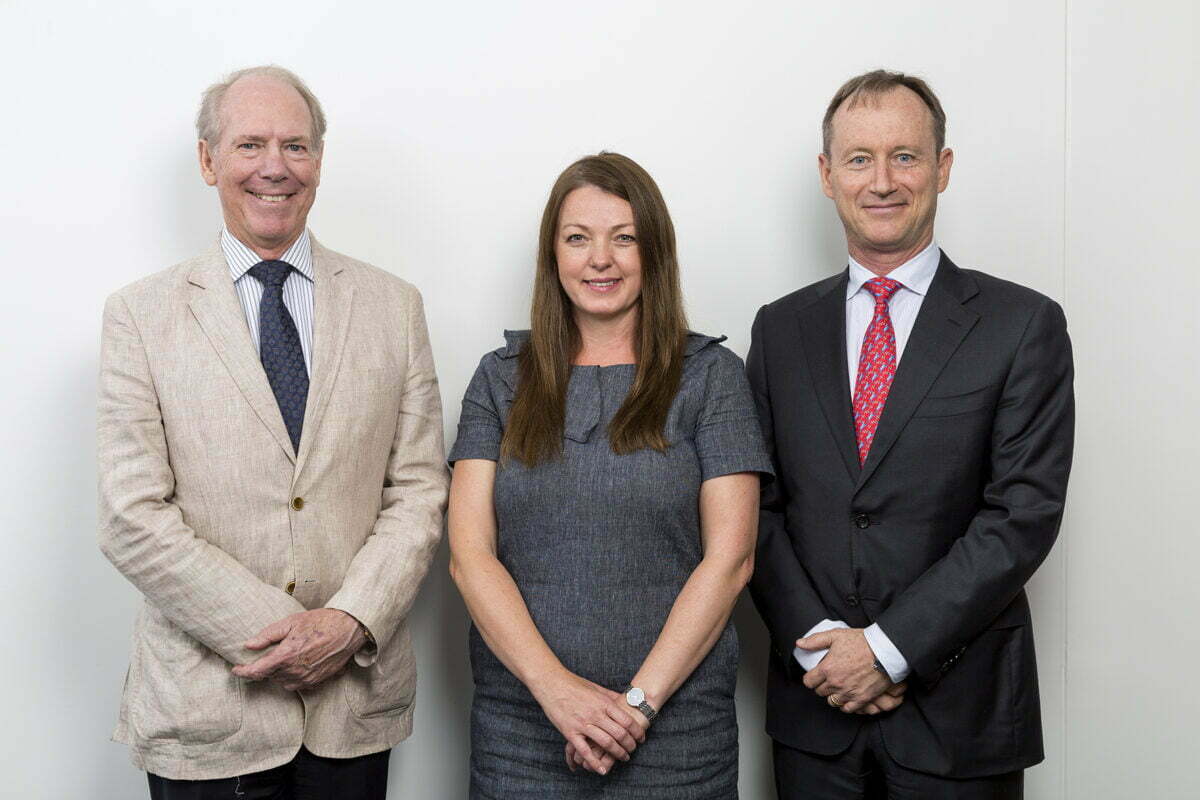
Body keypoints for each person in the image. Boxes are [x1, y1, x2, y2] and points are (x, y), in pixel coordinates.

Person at [97, 65, 448, 799]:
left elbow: (417, 491)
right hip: (206, 713)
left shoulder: (394, 307)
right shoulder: (140, 316)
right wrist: (285, 635)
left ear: (318, 160)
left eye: (295, 145)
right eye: (250, 144)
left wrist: (348, 621)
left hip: (351, 711)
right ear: (208, 161)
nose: (274, 167)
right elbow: (132, 517)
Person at [747, 70, 1075, 798]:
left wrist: (888, 650)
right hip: (815, 717)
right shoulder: (779, 329)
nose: (882, 181)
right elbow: (757, 512)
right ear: (827, 176)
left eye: (905, 156)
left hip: (960, 718)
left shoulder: (1022, 325)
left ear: (942, 168)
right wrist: (823, 653)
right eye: (859, 159)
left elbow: (1021, 515)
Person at [447, 152, 771, 799]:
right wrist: (558, 692)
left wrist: (637, 706)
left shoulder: (712, 376)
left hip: (677, 734)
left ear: (655, 251)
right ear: (552, 254)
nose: (601, 259)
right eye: (578, 238)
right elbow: (470, 556)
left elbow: (731, 559)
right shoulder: (499, 378)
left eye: (624, 238)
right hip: (523, 732)